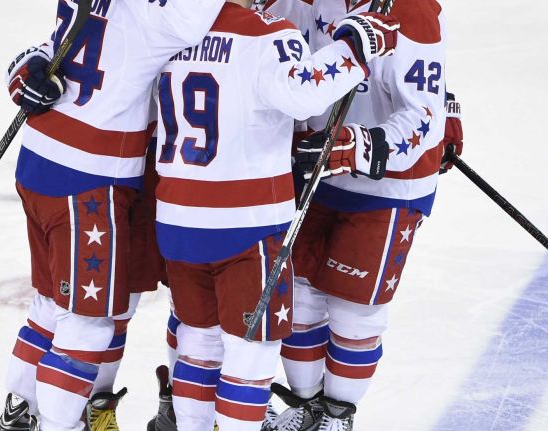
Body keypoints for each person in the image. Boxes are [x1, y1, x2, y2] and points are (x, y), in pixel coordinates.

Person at [148, 1, 399, 431]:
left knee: (198, 343)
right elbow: (304, 95)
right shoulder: (268, 34)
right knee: (251, 355)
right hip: (244, 226)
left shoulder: (169, 30)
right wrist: (357, 46)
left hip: (177, 219)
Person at [0, 0, 226, 430]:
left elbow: (66, 39)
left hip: (45, 156)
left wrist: (29, 64)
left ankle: (22, 412)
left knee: (57, 304)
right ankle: (60, 423)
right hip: (91, 175)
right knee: (89, 322)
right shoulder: (166, 16)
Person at [257, 0, 461, 430]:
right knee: (300, 297)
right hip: (318, 168)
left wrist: (366, 146)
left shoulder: (411, 8)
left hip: (387, 187)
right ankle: (306, 405)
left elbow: (424, 115)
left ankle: (337, 416)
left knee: (355, 308)